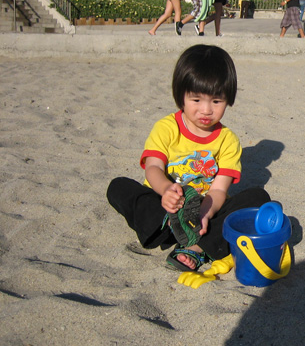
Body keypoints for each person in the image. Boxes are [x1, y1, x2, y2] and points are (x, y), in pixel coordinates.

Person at [107, 45, 271, 271]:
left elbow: (219, 190)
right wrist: (165, 190)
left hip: (204, 211)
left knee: (258, 197)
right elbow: (153, 167)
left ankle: (197, 247)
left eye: (216, 101)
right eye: (196, 100)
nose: (206, 110)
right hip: (164, 205)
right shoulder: (166, 127)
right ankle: (168, 226)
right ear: (181, 96)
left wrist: (205, 213)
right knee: (118, 186)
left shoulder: (227, 140)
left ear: (228, 99)